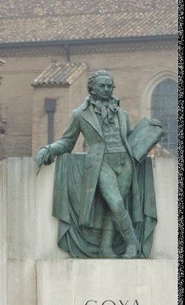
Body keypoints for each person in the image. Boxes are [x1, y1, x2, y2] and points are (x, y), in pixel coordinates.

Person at [35, 70, 160, 259]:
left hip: (125, 162)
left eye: (110, 86)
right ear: (92, 88)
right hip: (100, 162)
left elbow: (129, 139)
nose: (106, 89)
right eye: (102, 86)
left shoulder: (122, 114)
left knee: (113, 206)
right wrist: (49, 149)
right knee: (116, 203)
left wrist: (149, 131)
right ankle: (132, 242)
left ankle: (105, 247)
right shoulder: (80, 114)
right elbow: (68, 142)